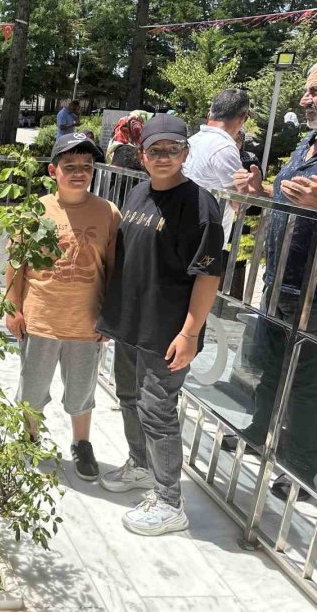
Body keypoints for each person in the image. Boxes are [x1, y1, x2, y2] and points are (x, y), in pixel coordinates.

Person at [97, 114, 224, 536]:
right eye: (156, 150)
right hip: (130, 323)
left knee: (158, 410)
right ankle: (139, 463)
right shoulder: (136, 194)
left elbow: (208, 275)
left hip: (167, 332)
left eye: (173, 149)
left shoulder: (201, 205)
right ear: (143, 155)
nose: (164, 156)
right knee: (129, 397)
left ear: (186, 153)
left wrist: (190, 332)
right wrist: (108, 317)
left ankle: (170, 500)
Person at [225, 64, 317, 500]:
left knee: (307, 382)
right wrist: (261, 191)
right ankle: (259, 432)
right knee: (273, 366)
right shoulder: (308, 142)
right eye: (305, 91)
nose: (304, 99)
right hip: (282, 281)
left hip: (314, 294)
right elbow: (290, 200)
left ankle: (298, 467)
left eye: (314, 91)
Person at [6, 133, 121, 482]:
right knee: (33, 387)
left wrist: (110, 319)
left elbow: (114, 271)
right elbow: (16, 264)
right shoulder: (35, 211)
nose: (78, 173)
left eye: (86, 167)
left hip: (86, 325)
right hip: (41, 319)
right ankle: (29, 437)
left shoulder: (108, 213)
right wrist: (13, 308)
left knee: (82, 391)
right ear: (53, 170)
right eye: (69, 166)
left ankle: (82, 443)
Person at [183, 88, 250, 239]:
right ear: (243, 118)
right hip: (204, 241)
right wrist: (248, 189)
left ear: (210, 113)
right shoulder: (224, 147)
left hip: (183, 228)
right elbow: (238, 204)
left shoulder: (193, 140)